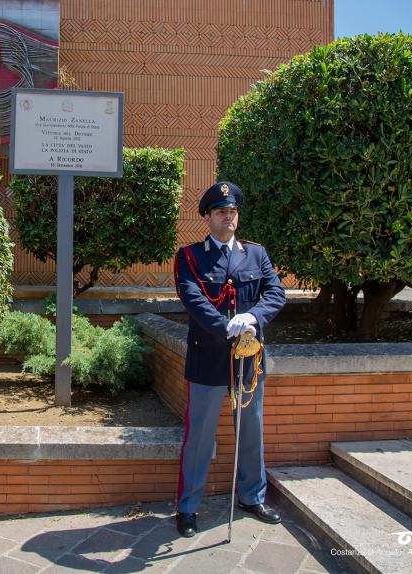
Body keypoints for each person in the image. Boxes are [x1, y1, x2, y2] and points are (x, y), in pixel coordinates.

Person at [173, 181, 286, 538]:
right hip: (209, 358)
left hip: (249, 361)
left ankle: (253, 497)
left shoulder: (256, 254)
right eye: (221, 211)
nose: (228, 217)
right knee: (200, 436)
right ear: (207, 216)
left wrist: (252, 319)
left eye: (233, 211)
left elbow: (276, 293)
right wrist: (226, 327)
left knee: (251, 431)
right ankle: (189, 506)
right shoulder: (190, 257)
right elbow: (193, 299)